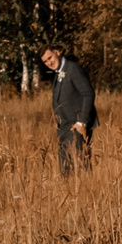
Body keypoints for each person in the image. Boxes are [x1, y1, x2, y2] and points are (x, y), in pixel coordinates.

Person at [42, 43, 95, 174]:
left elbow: (88, 93)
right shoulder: (59, 72)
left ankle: (85, 192)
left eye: (50, 58)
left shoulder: (73, 68)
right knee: (66, 170)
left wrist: (81, 122)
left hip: (76, 127)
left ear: (58, 52)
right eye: (45, 61)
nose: (49, 62)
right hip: (65, 128)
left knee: (80, 167)